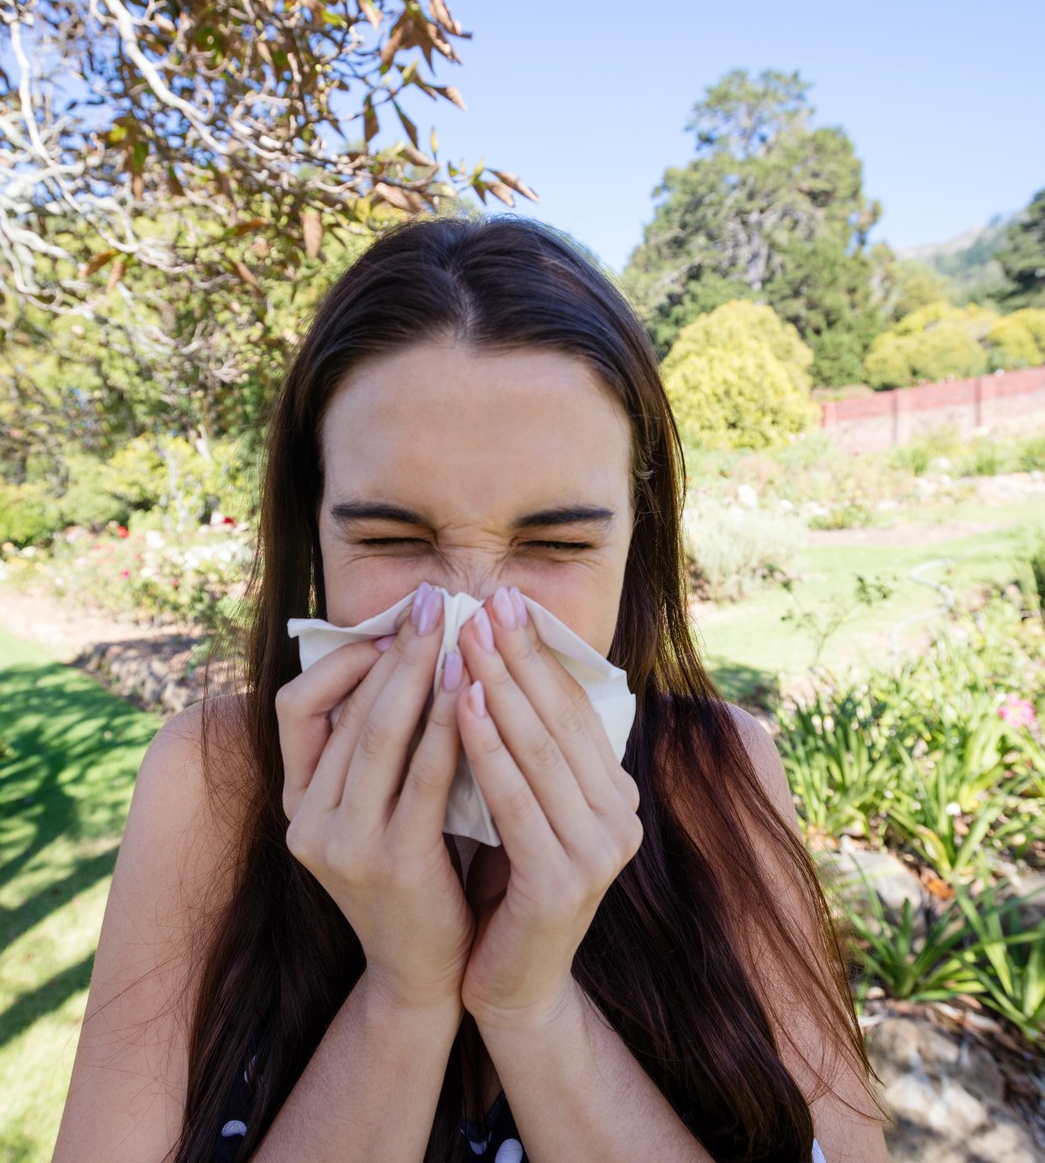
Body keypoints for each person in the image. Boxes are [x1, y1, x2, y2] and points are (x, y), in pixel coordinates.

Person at [52, 214, 889, 1163]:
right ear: (314, 535)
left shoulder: (715, 772)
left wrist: (530, 1004)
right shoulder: (213, 783)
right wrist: (404, 991)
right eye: (393, 540)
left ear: (634, 546)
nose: (473, 625)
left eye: (558, 546)